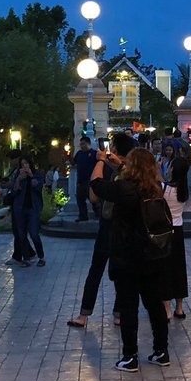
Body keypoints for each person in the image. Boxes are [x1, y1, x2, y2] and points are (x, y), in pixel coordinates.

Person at [88, 146, 171, 371]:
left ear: (132, 166)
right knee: (154, 304)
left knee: (128, 306)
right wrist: (120, 164)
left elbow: (96, 184)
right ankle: (161, 351)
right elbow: (138, 177)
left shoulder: (124, 188)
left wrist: (101, 160)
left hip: (128, 256)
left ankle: (130, 355)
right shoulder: (155, 187)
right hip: (153, 255)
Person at [68, 133, 134, 328]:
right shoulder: (133, 170)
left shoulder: (106, 166)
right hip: (127, 228)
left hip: (108, 225)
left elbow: (93, 197)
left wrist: (100, 162)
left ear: (114, 148)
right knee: (121, 272)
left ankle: (84, 315)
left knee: (96, 269)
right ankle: (119, 314)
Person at [163, 156, 190, 320]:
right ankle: (179, 307)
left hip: (165, 230)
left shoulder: (165, 189)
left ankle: (167, 308)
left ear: (172, 169)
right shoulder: (183, 190)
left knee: (165, 268)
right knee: (179, 268)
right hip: (179, 230)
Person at [10, 155, 46, 267]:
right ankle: (26, 258)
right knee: (22, 235)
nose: (24, 166)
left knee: (34, 233)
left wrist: (31, 176)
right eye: (22, 164)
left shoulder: (36, 174)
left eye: (26, 163)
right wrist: (18, 179)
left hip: (33, 208)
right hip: (20, 208)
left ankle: (41, 257)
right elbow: (14, 191)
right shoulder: (18, 175)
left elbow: (38, 186)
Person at [72, 135, 97, 222]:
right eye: (81, 144)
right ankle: (83, 215)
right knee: (80, 199)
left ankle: (98, 213)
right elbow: (74, 162)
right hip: (80, 180)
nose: (82, 146)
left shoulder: (94, 153)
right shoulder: (79, 153)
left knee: (93, 199)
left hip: (90, 180)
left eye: (83, 144)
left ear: (88, 144)